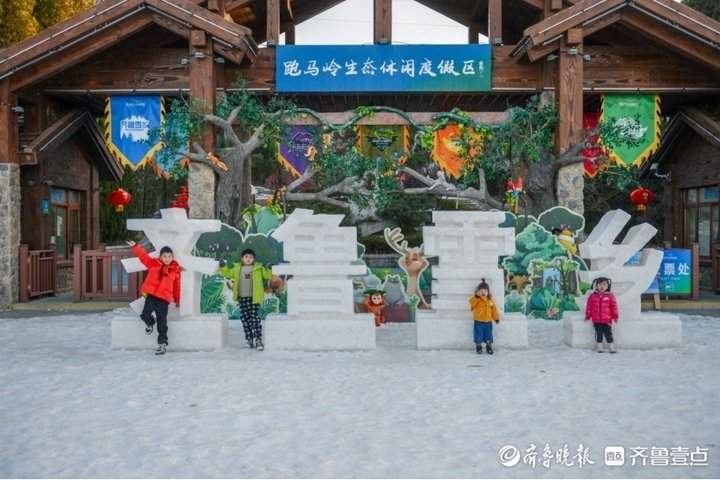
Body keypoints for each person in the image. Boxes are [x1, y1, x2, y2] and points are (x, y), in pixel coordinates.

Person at [126, 240, 181, 355]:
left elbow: (176, 287)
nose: (167, 258)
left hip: (164, 300)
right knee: (145, 314)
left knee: (162, 322)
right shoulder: (153, 264)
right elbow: (143, 257)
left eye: (169, 256)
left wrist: (177, 300)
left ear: (172, 257)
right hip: (151, 296)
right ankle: (150, 323)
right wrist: (136, 246)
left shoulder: (175, 271)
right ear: (160, 257)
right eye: (164, 256)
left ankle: (162, 344)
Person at [219, 249, 272, 351]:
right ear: (242, 258)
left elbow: (267, 276)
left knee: (255, 319)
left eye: (251, 257)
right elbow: (227, 274)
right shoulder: (237, 268)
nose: (248, 259)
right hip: (242, 298)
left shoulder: (258, 268)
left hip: (254, 298)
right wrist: (223, 266)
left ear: (254, 259)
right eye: (246, 257)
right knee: (245, 319)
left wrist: (269, 268)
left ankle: (258, 339)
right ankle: (249, 339)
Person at [585, 276, 619, 353]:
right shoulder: (593, 296)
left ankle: (611, 347)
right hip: (596, 320)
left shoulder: (610, 296)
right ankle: (600, 347)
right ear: (596, 286)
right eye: (600, 285)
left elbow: (614, 307)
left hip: (607, 320)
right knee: (598, 334)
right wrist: (588, 315)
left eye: (604, 284)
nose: (602, 286)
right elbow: (589, 306)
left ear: (608, 286)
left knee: (608, 334)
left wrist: (615, 316)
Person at [469, 279, 500, 354]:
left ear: (488, 292)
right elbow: (471, 303)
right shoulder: (476, 299)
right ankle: (478, 346)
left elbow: (494, 310)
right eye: (481, 291)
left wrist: (496, 318)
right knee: (478, 334)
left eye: (485, 291)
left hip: (488, 321)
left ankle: (488, 346)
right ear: (478, 292)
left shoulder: (490, 301)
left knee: (488, 335)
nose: (483, 292)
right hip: (478, 321)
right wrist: (476, 296)